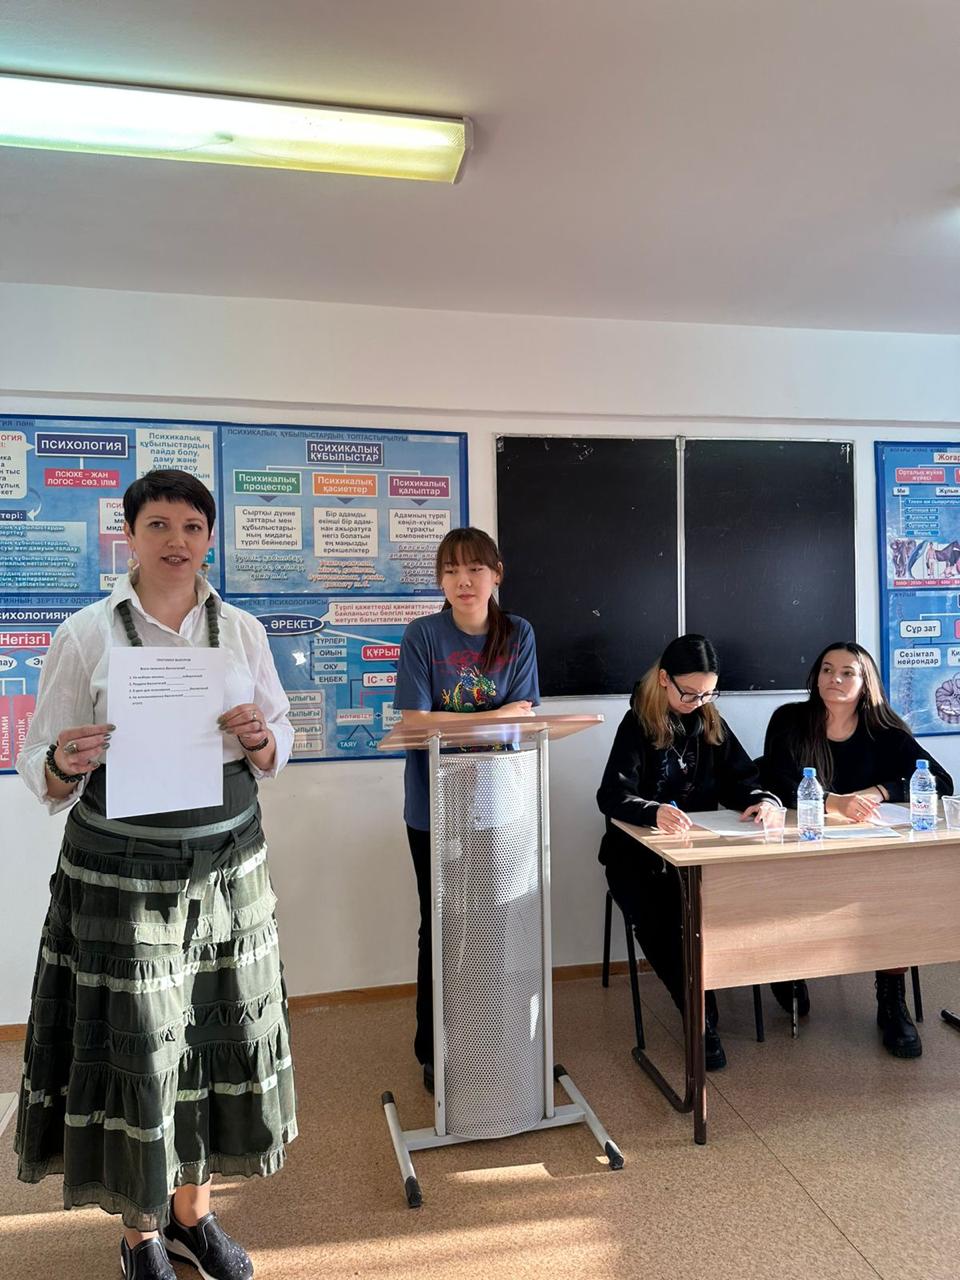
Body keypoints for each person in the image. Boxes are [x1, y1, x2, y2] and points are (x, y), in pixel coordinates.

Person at [15, 470, 297, 1280]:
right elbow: (38, 762)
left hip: (228, 869)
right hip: (120, 879)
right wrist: (64, 761)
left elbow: (278, 742)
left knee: (213, 1036)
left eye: (192, 527)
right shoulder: (85, 634)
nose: (177, 540)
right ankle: (140, 1234)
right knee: (138, 1045)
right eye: (159, 525)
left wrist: (261, 737)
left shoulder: (240, 631)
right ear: (130, 534)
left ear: (209, 538)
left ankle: (192, 1219)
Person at [393, 527, 540, 1091]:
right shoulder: (423, 635)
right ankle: (434, 1048)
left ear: (496, 574)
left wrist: (458, 722)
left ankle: (487, 1036)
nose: (464, 580)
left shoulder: (517, 633)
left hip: (497, 805)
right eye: (451, 570)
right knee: (439, 925)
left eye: (475, 568)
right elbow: (413, 722)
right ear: (440, 580)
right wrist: (492, 717)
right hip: (433, 806)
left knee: (491, 925)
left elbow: (524, 719)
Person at [596, 634, 781, 1071]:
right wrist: (653, 810)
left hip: (697, 854)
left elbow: (743, 780)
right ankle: (698, 1011)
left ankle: (767, 982)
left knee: (738, 902)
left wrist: (764, 801)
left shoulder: (709, 721)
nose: (698, 702)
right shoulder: (637, 724)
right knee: (665, 921)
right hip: (637, 860)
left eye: (707, 694)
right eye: (690, 693)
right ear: (664, 679)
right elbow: (611, 795)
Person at [761, 641, 952, 1059]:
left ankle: (891, 998)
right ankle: (788, 967)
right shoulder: (790, 720)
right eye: (827, 670)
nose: (835, 679)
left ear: (866, 683)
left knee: (896, 894)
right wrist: (834, 802)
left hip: (867, 852)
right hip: (801, 850)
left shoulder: (885, 732)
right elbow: (773, 779)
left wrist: (878, 792)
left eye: (847, 672)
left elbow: (940, 780)